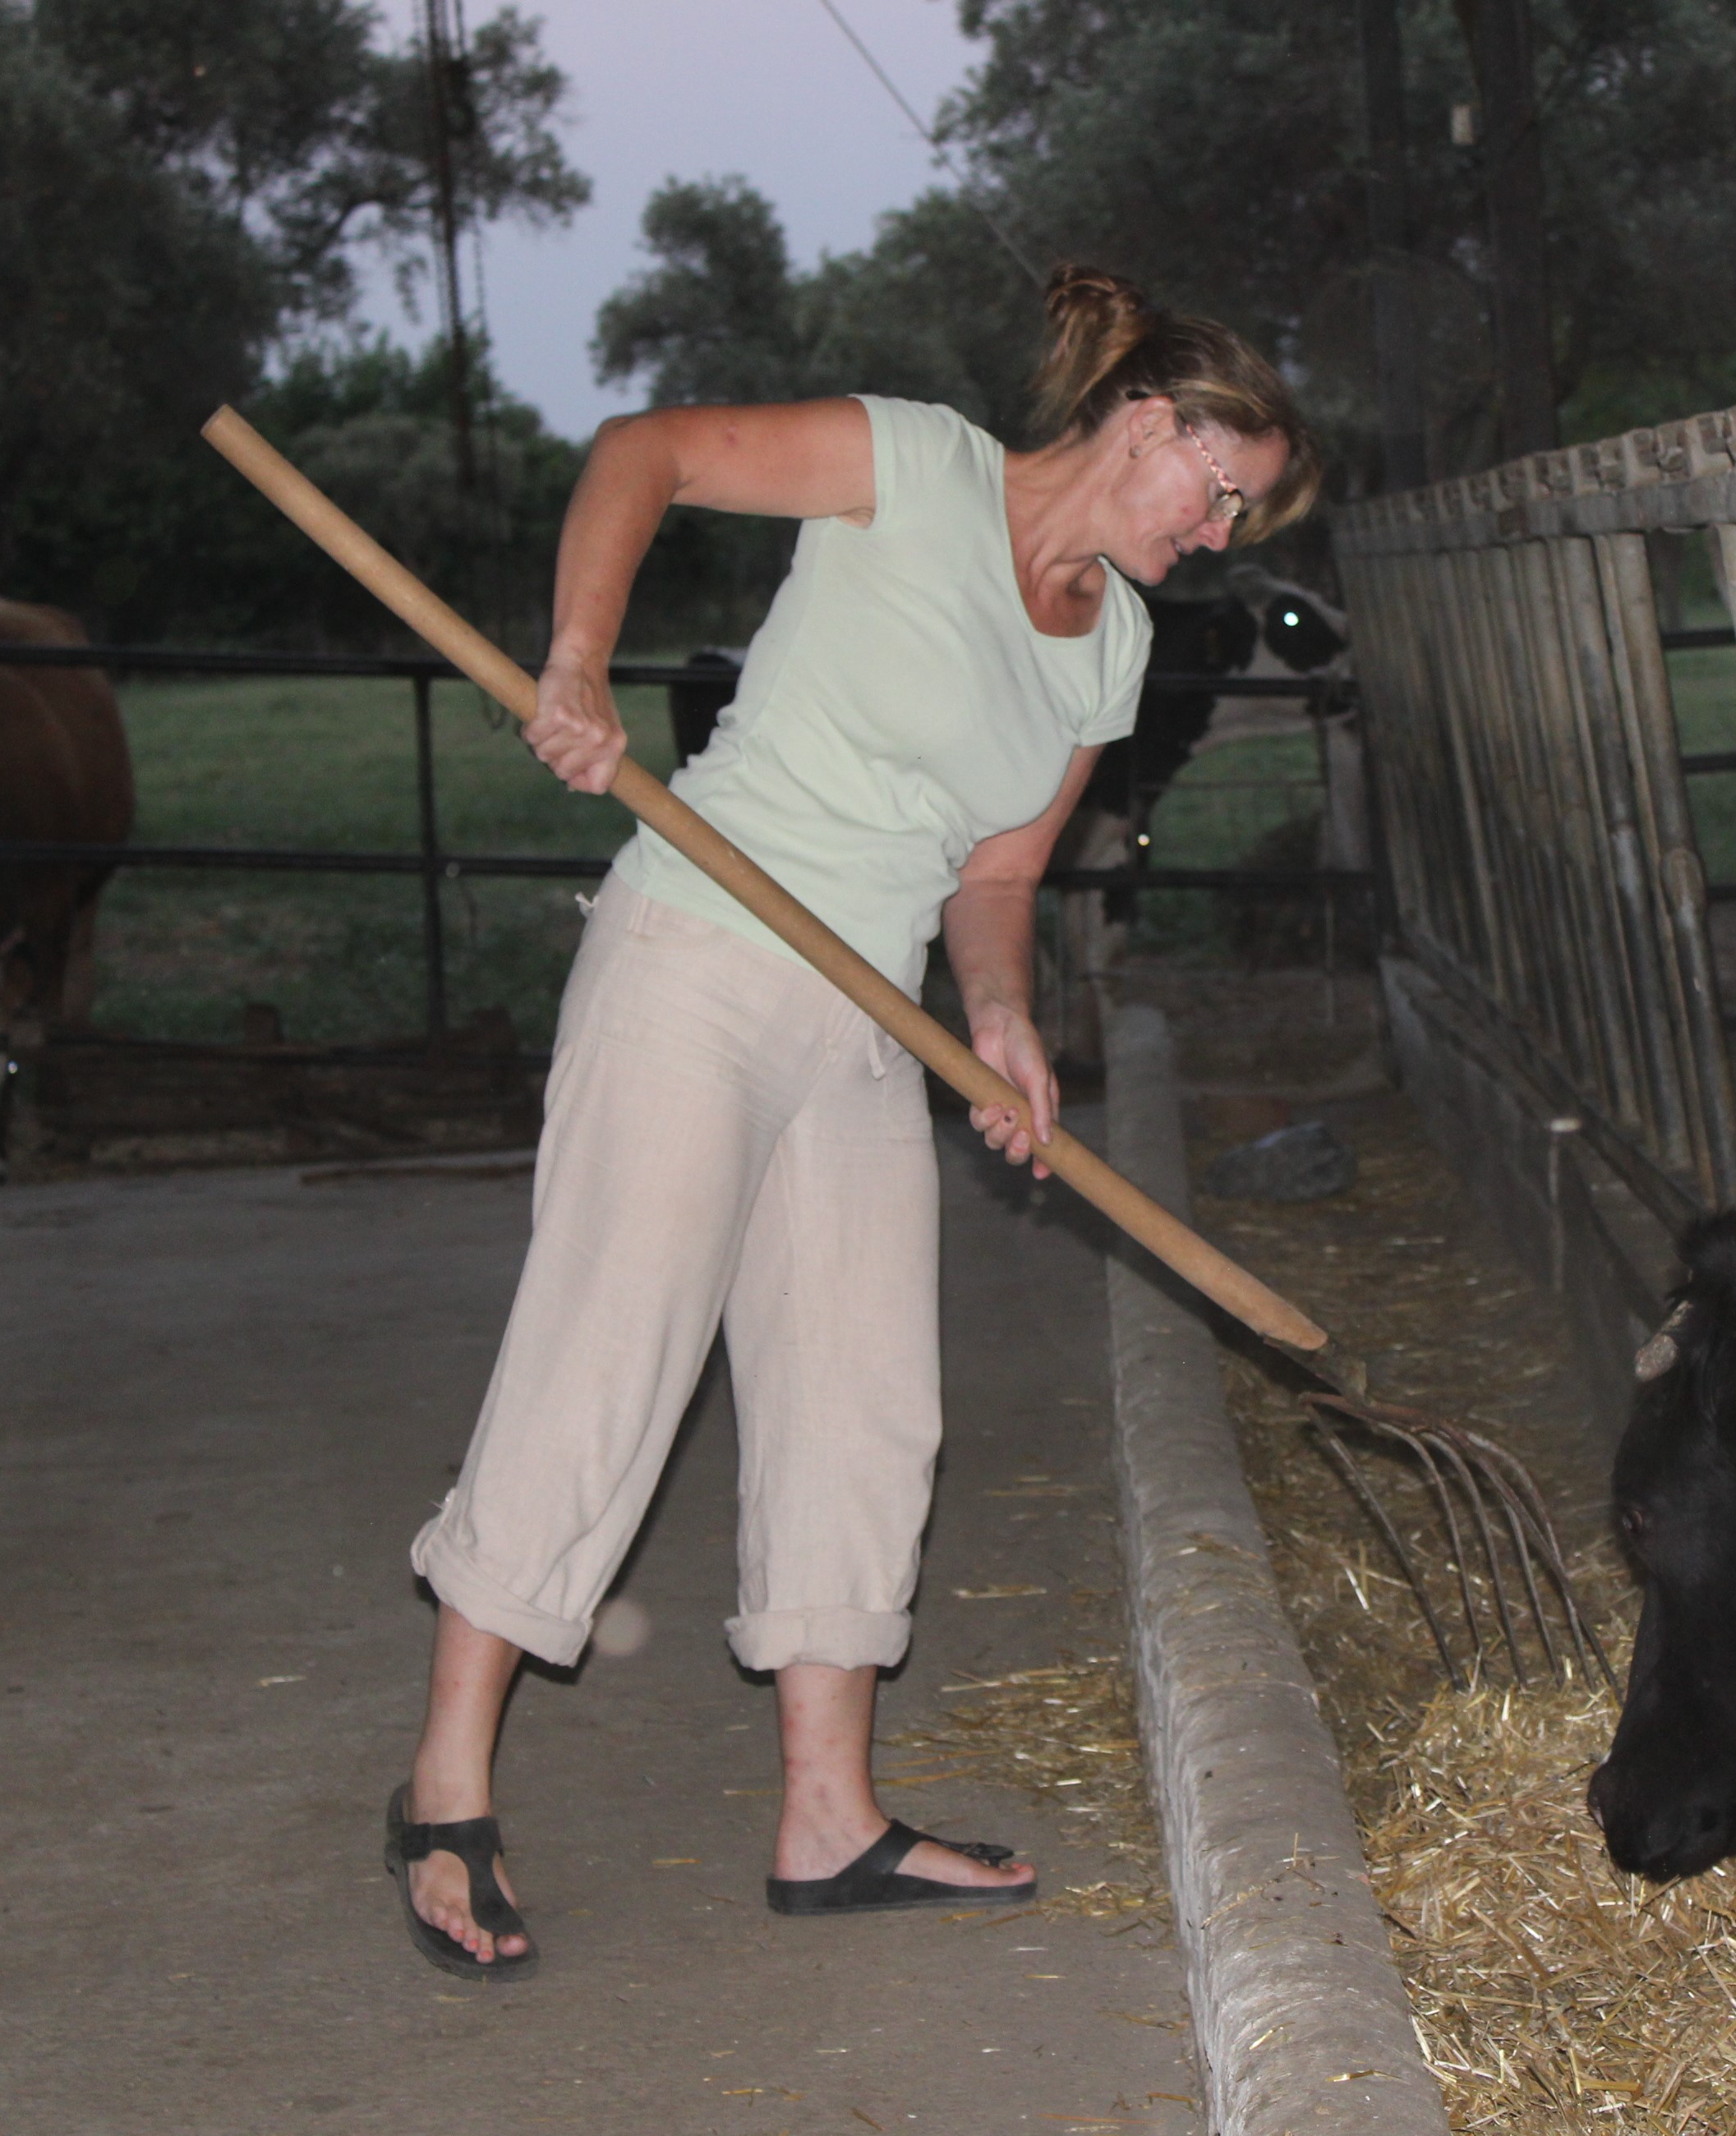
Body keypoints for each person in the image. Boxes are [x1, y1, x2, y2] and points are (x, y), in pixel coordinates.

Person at [384, 266, 1319, 1976]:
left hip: (866, 1011)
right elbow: (643, 452)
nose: (1221, 529)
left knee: (866, 1399)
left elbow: (999, 872)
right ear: (1146, 421)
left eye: (1241, 512)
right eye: (1222, 486)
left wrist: (1003, 1019)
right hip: (697, 956)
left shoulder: (1111, 642)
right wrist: (577, 664)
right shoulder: (916, 465)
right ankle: (447, 1779)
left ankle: (828, 1815)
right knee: (610, 1351)